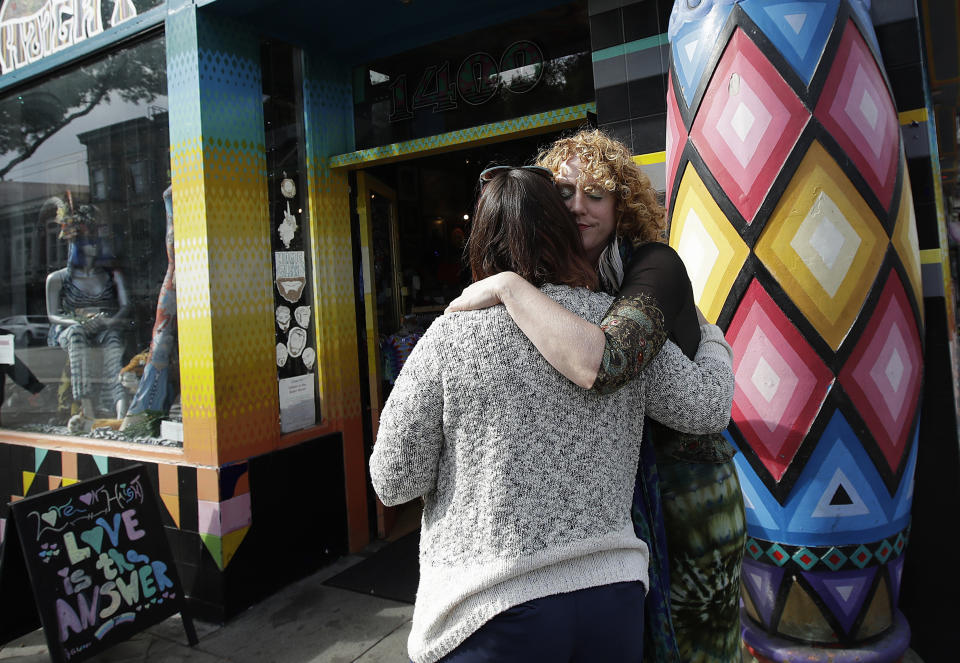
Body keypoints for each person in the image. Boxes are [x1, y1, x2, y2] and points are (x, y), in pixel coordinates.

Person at [370, 166, 735, 663]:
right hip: (613, 600)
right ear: (564, 232)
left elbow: (393, 481)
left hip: (490, 611)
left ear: (481, 240)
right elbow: (708, 405)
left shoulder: (449, 337)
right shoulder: (617, 326)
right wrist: (710, 335)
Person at [45, 195, 130, 430]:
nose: (92, 245)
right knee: (76, 335)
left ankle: (120, 407)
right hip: (71, 329)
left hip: (103, 326)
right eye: (85, 240)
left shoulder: (111, 275)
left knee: (113, 340)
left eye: (94, 240)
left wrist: (107, 322)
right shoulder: (58, 278)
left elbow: (125, 308)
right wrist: (79, 321)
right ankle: (86, 408)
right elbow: (53, 315)